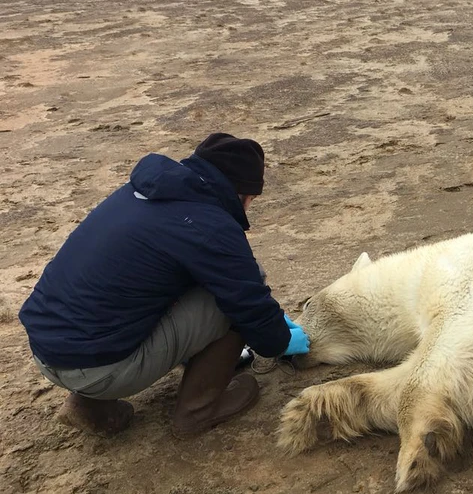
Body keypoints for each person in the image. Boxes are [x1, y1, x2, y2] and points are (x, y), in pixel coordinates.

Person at [19, 133, 310, 438]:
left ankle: (90, 406)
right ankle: (198, 411)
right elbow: (252, 312)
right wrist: (280, 338)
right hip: (97, 368)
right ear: (244, 194)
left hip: (47, 349)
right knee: (234, 298)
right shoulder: (210, 225)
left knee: (164, 281)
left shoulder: (141, 191)